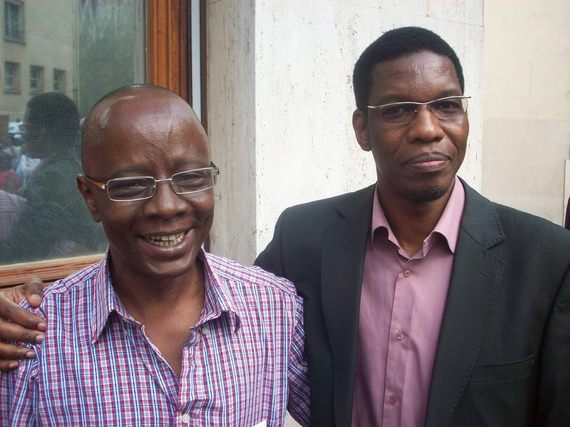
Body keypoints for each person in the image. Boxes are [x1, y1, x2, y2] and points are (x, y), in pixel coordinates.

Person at [1, 27, 569, 426]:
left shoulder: (547, 258)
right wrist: (29, 304)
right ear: (361, 128)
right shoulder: (302, 246)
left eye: (446, 105)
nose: (426, 128)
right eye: (397, 109)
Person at [0, 85, 310, 426]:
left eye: (191, 178)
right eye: (131, 185)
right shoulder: (34, 336)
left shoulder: (274, 309)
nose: (166, 206)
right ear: (90, 197)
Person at [0, 92, 106, 263]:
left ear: (40, 133)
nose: (23, 135)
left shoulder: (52, 177)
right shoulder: (72, 167)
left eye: (25, 128)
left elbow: (29, 243)